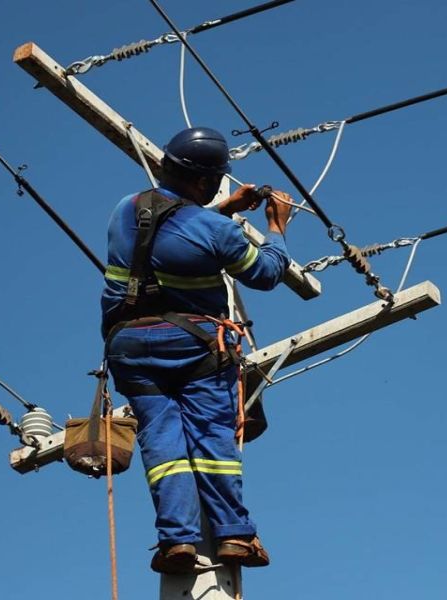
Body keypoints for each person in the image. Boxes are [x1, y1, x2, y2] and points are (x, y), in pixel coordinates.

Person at [100, 126, 293, 575]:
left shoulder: (124, 210)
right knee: (211, 437)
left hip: (128, 346)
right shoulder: (213, 231)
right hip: (193, 346)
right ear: (206, 180)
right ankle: (234, 535)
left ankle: (176, 542)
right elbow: (265, 273)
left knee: (162, 441)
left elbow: (168, 238)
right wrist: (276, 228)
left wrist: (223, 209)